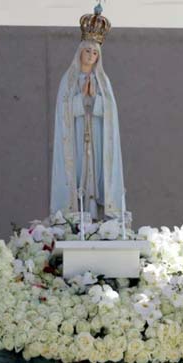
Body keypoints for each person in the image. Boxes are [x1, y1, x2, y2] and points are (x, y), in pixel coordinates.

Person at [50, 5, 125, 220]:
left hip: (97, 136)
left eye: (95, 52)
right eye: (88, 51)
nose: (91, 55)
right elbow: (63, 111)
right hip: (75, 135)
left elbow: (110, 112)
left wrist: (96, 99)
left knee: (96, 170)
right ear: (80, 52)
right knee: (79, 171)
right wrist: (80, 98)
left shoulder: (103, 80)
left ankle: (95, 213)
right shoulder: (69, 79)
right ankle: (76, 215)